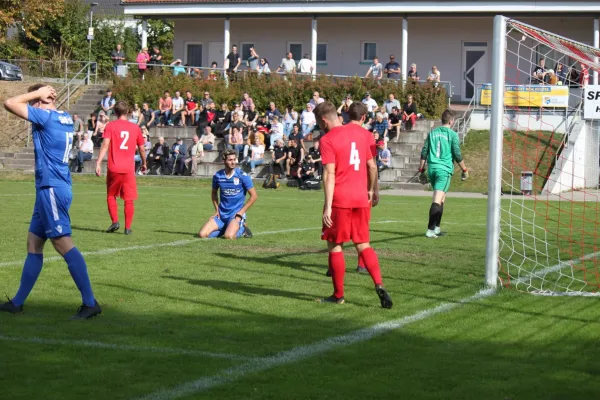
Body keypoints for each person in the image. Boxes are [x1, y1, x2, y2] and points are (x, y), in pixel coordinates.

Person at [1, 84, 101, 319]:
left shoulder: (45, 117)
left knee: (61, 242)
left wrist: (36, 94)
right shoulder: (64, 117)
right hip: (53, 187)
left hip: (52, 188)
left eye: (35, 100)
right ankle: (17, 303)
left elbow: (10, 103)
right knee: (34, 244)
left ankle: (90, 303)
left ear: (40, 100)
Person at [315, 101, 392, 308]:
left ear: (323, 120)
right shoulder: (363, 134)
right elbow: (372, 166)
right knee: (363, 244)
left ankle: (338, 295)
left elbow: (329, 174)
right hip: (360, 199)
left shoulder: (327, 139)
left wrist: (328, 205)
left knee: (335, 245)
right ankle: (379, 284)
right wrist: (372, 190)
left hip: (340, 199)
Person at [95, 101, 146, 235]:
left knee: (111, 195)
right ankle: (128, 228)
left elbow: (105, 145)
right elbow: (141, 148)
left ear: (115, 112)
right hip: (128, 169)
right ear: (128, 112)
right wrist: (144, 163)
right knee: (129, 198)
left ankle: (115, 221)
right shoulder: (135, 128)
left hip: (114, 167)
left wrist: (98, 162)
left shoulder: (110, 126)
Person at [418, 109, 468, 239]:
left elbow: (424, 151)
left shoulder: (432, 133)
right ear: (451, 121)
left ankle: (437, 228)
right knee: (437, 199)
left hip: (432, 169)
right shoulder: (452, 134)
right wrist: (464, 169)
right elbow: (457, 154)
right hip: (443, 170)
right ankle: (430, 230)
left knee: (441, 198)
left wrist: (421, 170)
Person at [198, 149, 257, 239]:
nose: (233, 162)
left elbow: (254, 196)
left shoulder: (242, 175)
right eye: (230, 160)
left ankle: (242, 229)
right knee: (203, 235)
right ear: (224, 161)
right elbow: (214, 193)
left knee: (229, 236)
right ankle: (226, 227)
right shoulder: (218, 176)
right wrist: (217, 210)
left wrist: (241, 212)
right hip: (221, 215)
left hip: (235, 214)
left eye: (234, 159)